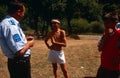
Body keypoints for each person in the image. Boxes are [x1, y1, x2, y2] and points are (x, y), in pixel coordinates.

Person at [0, 1, 34, 78]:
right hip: (20, 63)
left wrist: (24, 39)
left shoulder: (7, 23)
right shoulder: (11, 26)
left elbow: (12, 41)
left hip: (16, 63)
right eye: (23, 12)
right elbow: (19, 51)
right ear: (18, 12)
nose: (24, 14)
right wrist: (29, 43)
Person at [96, 12, 120, 78]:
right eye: (105, 22)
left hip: (114, 70)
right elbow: (99, 49)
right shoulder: (105, 34)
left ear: (115, 22)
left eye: (107, 22)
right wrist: (106, 37)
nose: (105, 24)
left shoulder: (118, 34)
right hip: (103, 67)